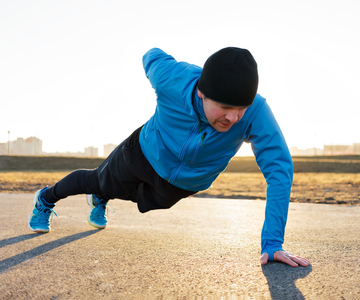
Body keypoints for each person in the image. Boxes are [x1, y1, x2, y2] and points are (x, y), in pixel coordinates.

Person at [28, 47, 310, 268]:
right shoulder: (173, 78)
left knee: (147, 201)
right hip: (142, 152)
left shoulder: (257, 112)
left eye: (241, 109)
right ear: (202, 92)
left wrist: (272, 243)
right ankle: (46, 198)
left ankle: (104, 194)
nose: (233, 118)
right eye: (225, 107)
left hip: (184, 183)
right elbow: (151, 55)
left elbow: (279, 170)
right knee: (96, 181)